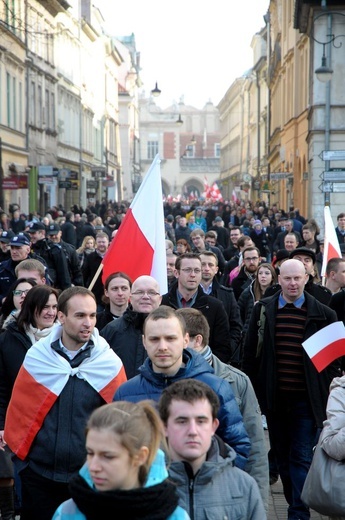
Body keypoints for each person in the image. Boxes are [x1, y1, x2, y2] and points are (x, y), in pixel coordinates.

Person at [2, 286, 127, 520]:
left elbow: (120, 420)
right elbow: (20, 411)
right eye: (80, 315)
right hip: (39, 477)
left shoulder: (107, 362)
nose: (88, 323)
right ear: (62, 317)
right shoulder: (39, 357)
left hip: (89, 478)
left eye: (92, 315)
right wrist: (24, 465)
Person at [242, 259, 342, 520]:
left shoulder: (323, 314)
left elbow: (334, 362)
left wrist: (321, 392)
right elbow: (250, 355)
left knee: (300, 457)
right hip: (274, 400)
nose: (293, 283)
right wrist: (256, 395)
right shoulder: (263, 310)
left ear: (307, 278)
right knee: (283, 458)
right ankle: (294, 502)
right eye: (287, 278)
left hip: (306, 402)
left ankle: (298, 512)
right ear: (279, 280)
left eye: (298, 278)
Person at [114, 305, 250, 470]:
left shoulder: (216, 387)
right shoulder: (126, 393)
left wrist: (214, 485)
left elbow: (238, 447)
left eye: (170, 338)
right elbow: (117, 449)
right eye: (154, 339)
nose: (162, 346)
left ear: (186, 340)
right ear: (144, 341)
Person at [176, 308, 269, 511]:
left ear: (196, 340)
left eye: (176, 338)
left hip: (225, 497)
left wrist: (258, 505)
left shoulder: (236, 381)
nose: (168, 347)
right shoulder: (166, 377)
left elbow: (255, 448)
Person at [52, 401, 189, 520]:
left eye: (108, 456)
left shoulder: (175, 516)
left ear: (140, 456)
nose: (93, 466)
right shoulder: (67, 513)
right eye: (90, 453)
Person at [158, 379, 266, 520]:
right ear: (164, 427)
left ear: (214, 426)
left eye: (201, 421)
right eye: (182, 421)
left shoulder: (244, 487)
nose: (192, 431)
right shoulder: (141, 486)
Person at [0, 284, 58, 519]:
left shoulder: (64, 339)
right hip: (19, 419)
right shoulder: (7, 339)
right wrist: (2, 424)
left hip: (52, 422)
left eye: (55, 307)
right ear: (31, 307)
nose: (51, 313)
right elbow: (2, 386)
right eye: (45, 307)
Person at [161, 253, 232, 363]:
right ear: (176, 273)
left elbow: (222, 347)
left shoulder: (215, 306)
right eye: (187, 270)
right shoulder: (162, 303)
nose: (193, 275)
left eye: (197, 271)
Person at [101, 275, 162, 379]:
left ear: (160, 299)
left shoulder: (172, 329)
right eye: (139, 292)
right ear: (130, 297)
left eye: (151, 292)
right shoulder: (112, 330)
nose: (146, 296)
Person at [199, 251, 242, 363]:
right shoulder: (188, 293)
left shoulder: (227, 294)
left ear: (216, 269)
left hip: (220, 358)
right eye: (203, 264)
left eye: (210, 265)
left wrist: (228, 348)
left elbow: (236, 325)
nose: (206, 268)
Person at [0, 233, 49, 306]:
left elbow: (46, 288)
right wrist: (2, 299)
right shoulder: (2, 268)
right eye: (12, 248)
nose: (14, 251)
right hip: (7, 309)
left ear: (28, 249)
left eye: (18, 248)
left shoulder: (37, 267)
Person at [27, 222, 72, 291]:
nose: (31, 236)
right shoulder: (30, 248)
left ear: (42, 233)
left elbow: (63, 273)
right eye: (30, 233)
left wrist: (66, 291)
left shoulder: (54, 249)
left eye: (33, 233)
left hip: (53, 289)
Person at [82, 232, 109, 311]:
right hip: (95, 294)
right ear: (96, 243)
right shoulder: (90, 257)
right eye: (99, 242)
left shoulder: (112, 257)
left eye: (103, 242)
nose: (101, 244)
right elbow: (84, 275)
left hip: (110, 295)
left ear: (108, 242)